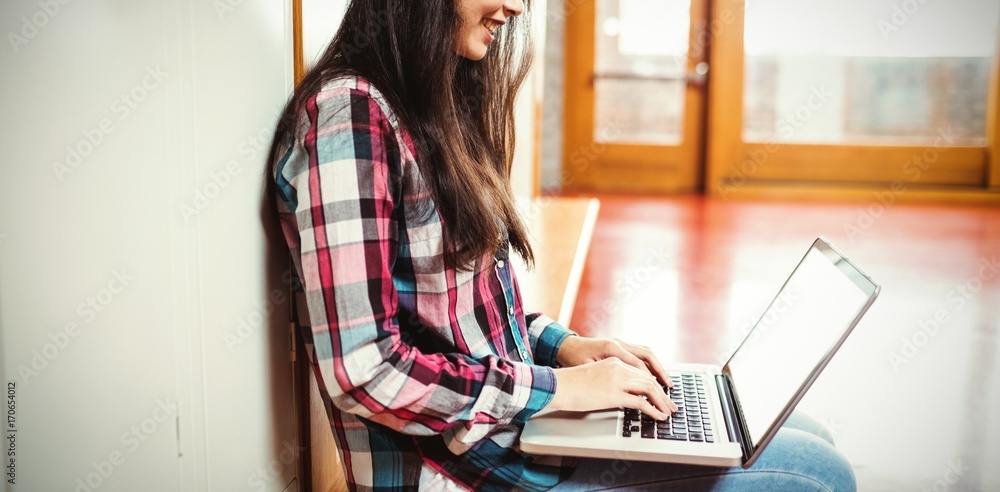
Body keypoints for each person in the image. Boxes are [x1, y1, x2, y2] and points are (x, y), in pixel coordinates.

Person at [265, 0, 857, 490]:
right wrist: (560, 391)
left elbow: (459, 313)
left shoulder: (426, 97)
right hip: (470, 467)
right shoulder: (349, 117)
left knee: (807, 441)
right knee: (818, 477)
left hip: (519, 434)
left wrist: (567, 349)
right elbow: (364, 371)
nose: (518, 7)